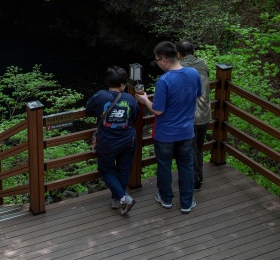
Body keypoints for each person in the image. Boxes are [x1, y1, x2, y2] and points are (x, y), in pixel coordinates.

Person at [135, 41, 202, 214]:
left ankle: (166, 199)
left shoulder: (164, 80)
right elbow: (198, 95)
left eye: (157, 60)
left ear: (164, 60)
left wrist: (145, 101)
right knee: (185, 166)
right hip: (186, 130)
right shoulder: (194, 73)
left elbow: (158, 110)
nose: (157, 63)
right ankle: (187, 202)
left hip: (165, 132)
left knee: (164, 166)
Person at [85, 66, 139, 216]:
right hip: (128, 140)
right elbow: (135, 116)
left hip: (107, 142)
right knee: (123, 169)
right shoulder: (129, 99)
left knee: (106, 170)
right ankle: (117, 200)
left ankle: (123, 198)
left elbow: (88, 109)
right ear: (123, 84)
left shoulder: (100, 96)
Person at [176, 40, 212, 191]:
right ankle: (199, 176)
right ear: (194, 51)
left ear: (178, 54)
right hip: (205, 113)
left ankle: (195, 180)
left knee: (190, 150)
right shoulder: (203, 64)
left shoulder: (180, 68)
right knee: (199, 147)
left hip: (190, 116)